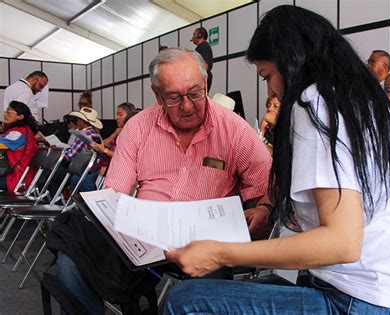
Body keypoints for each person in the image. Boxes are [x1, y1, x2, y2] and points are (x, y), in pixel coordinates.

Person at [164, 6, 390, 314]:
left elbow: (342, 242)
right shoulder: (363, 102)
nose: (271, 89)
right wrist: (267, 206)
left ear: (291, 62)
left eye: (268, 76)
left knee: (185, 300)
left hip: (371, 298)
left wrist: (220, 254)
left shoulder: (315, 102)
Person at [55, 48, 272, 314]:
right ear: (157, 94)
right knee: (70, 261)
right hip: (143, 236)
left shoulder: (235, 130)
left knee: (204, 297)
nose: (188, 106)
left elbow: (266, 188)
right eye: (174, 97)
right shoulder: (138, 127)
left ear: (205, 84)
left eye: (194, 93)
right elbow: (115, 193)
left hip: (205, 243)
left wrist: (263, 210)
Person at [0, 101, 38, 192]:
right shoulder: (19, 131)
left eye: (9, 112)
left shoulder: (19, 133)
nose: (5, 115)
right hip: (14, 175)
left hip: (17, 178)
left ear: (20, 116)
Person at [90, 102, 136, 177]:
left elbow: (122, 156)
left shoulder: (131, 133)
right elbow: (104, 143)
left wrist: (104, 150)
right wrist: (115, 133)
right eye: (117, 115)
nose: (117, 118)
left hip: (116, 170)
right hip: (105, 165)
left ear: (129, 116)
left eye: (120, 115)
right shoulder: (118, 131)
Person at [64, 107, 103, 192]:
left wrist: (60, 153)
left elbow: (70, 156)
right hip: (91, 169)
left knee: (57, 173)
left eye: (78, 120)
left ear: (82, 121)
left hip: (81, 169)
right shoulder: (95, 134)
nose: (77, 122)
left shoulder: (83, 135)